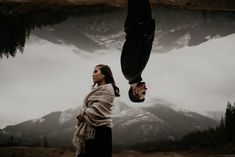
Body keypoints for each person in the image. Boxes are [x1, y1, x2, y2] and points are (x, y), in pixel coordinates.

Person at [73, 64, 120, 157]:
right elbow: (89, 109)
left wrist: (82, 113)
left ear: (104, 75)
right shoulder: (96, 90)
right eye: (93, 72)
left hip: (101, 132)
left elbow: (97, 111)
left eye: (95, 72)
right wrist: (84, 112)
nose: (92, 75)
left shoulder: (108, 90)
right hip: (90, 132)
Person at [121, 0, 155, 102]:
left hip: (138, 25)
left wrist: (143, 27)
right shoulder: (133, 74)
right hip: (138, 25)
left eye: (143, 92)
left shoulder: (131, 73)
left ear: (135, 91)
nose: (146, 89)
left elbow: (133, 45)